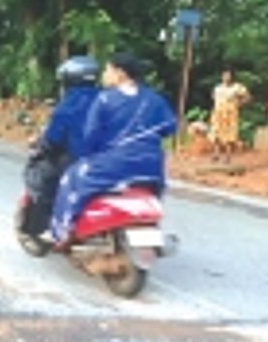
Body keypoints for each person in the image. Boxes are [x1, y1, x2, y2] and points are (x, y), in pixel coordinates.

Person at [49, 52, 177, 244]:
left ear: (120, 74)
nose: (103, 75)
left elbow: (90, 136)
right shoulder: (154, 100)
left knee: (71, 177)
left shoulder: (105, 99)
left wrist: (87, 156)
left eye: (107, 70)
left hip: (115, 165)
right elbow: (169, 127)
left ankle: (64, 230)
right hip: (151, 165)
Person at [20, 55, 100, 237]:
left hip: (78, 162)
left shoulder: (67, 107)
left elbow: (52, 141)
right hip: (109, 160)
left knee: (42, 176)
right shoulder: (108, 100)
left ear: (68, 81)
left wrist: (40, 146)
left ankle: (45, 228)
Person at [209, 67, 250, 161]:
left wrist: (238, 104)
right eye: (224, 75)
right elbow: (213, 97)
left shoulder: (237, 87)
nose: (226, 77)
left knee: (229, 134)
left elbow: (247, 97)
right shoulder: (218, 88)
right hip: (218, 112)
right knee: (216, 133)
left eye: (228, 75)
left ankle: (228, 156)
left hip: (230, 113)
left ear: (232, 77)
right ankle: (216, 154)